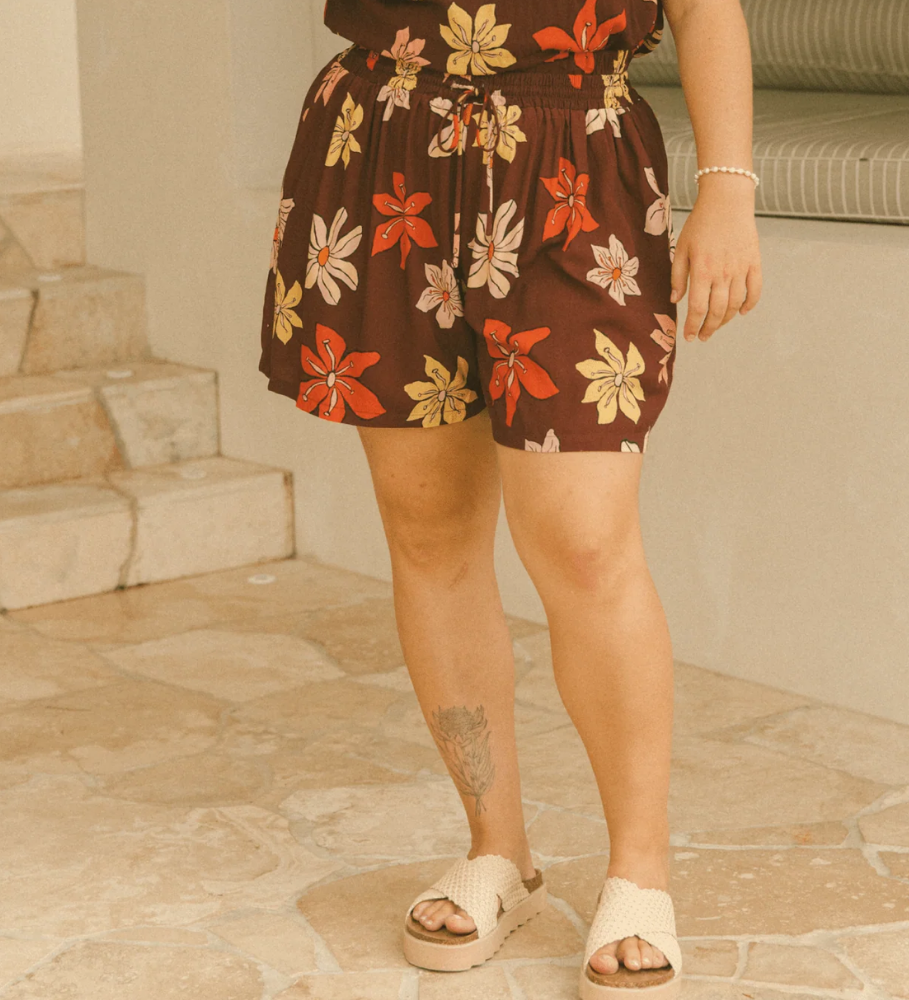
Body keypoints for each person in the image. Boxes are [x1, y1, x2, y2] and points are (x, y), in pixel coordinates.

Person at [258, 0, 760, 995]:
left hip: (577, 156)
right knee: (428, 528)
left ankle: (639, 871)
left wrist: (728, 189)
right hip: (382, 141)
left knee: (584, 542)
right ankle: (499, 853)